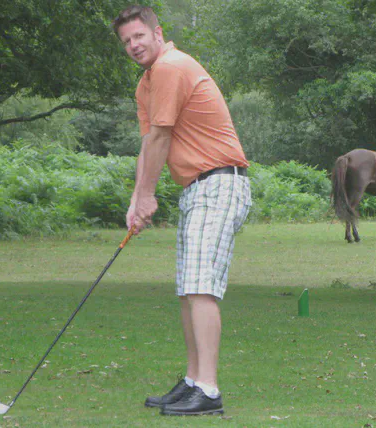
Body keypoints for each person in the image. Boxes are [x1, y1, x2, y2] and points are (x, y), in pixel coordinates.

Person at [112, 5, 252, 417]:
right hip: (196, 187)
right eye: (126, 41)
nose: (134, 45)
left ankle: (208, 391)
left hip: (220, 181)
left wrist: (149, 196)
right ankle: (193, 381)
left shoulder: (172, 66)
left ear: (158, 33)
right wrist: (137, 201)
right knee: (188, 288)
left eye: (139, 36)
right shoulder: (146, 85)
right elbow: (148, 145)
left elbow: (162, 139)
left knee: (201, 286)